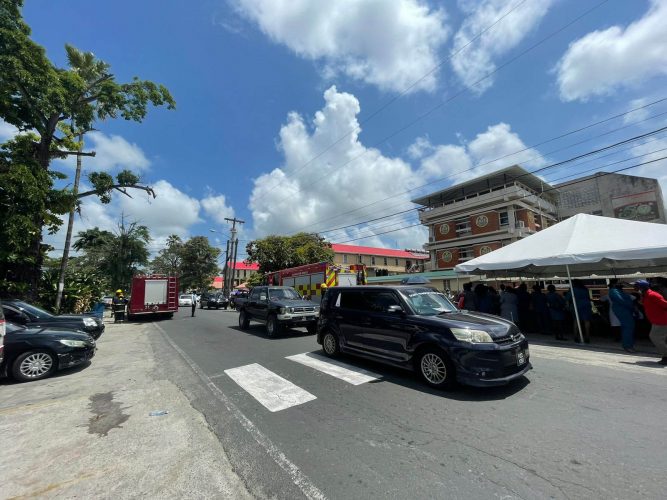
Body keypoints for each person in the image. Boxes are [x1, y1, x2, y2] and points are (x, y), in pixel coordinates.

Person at [635, 280, 667, 364]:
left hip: (662, 321)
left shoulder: (653, 295)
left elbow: (665, 304)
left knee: (655, 337)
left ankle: (666, 356)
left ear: (642, 288)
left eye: (636, 287)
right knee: (658, 338)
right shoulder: (646, 295)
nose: (635, 289)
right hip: (656, 321)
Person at [608, 283, 636, 352]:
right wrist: (631, 306)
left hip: (624, 310)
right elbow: (621, 300)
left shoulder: (617, 291)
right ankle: (628, 346)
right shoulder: (614, 291)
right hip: (623, 310)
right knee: (628, 327)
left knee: (627, 327)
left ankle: (627, 345)